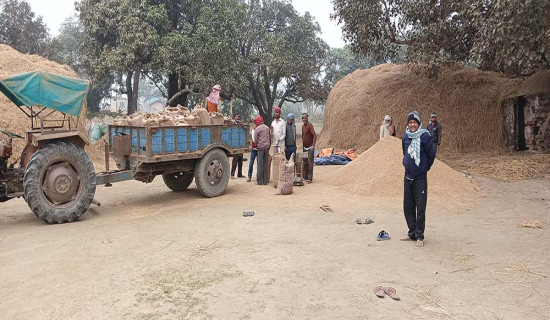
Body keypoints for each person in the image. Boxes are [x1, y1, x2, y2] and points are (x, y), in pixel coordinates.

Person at [401, 111, 435, 247]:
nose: (412, 124)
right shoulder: (405, 137)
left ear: (419, 123)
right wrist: (406, 163)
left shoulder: (425, 136)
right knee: (408, 207)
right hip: (407, 176)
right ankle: (412, 232)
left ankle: (420, 235)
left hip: (420, 178)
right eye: (410, 122)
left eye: (415, 122)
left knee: (420, 208)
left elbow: (431, 155)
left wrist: (424, 168)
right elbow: (404, 153)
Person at [253, 116, 271, 185]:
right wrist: (268, 146)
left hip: (260, 148)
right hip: (267, 148)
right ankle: (265, 181)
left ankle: (259, 181)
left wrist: (257, 146)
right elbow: (270, 138)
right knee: (265, 164)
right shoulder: (267, 128)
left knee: (259, 164)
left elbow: (255, 140)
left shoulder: (257, 129)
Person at [301, 113, 316, 183]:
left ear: (307, 118)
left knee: (310, 162)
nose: (304, 119)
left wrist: (313, 145)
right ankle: (305, 177)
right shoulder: (303, 126)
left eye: (305, 118)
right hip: (305, 147)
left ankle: (310, 178)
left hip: (310, 147)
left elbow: (314, 135)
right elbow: (303, 136)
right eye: (303, 118)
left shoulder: (310, 125)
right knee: (305, 162)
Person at [231, 113, 244, 178]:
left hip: (240, 144)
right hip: (235, 143)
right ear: (235, 117)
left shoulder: (240, 124)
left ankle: (239, 174)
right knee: (235, 160)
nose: (237, 118)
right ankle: (232, 174)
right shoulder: (232, 124)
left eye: (239, 117)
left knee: (240, 160)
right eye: (236, 117)